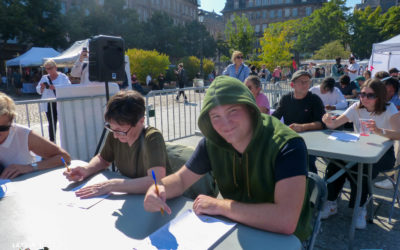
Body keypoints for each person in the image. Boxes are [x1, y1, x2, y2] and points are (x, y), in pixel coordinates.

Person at [143, 75, 312, 241]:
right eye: (215, 116)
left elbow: (286, 220)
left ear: (250, 108)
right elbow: (180, 180)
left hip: (284, 240)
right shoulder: (212, 143)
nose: (225, 124)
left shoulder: (287, 145)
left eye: (232, 111)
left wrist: (220, 206)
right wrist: (157, 189)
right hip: (235, 228)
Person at [321, 78, 399, 229]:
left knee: (360, 169)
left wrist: (379, 131)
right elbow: (335, 123)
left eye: (370, 95)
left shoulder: (389, 109)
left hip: (383, 154)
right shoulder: (357, 107)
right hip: (359, 148)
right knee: (335, 164)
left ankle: (360, 207)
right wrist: (327, 120)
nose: (364, 98)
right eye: (362, 94)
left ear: (380, 97)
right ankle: (331, 203)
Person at [63, 90, 171, 198]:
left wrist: (112, 184)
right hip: (131, 197)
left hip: (158, 198)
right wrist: (86, 170)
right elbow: (103, 159)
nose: (115, 135)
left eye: (120, 130)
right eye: (111, 128)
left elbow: (155, 180)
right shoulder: (116, 134)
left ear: (141, 121)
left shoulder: (152, 137)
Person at [0, 93, 71, 179]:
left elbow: (64, 158)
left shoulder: (24, 135)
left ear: (11, 122)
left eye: (2, 128)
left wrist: (29, 167)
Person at [273, 70, 325, 173]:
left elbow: (321, 124)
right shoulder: (286, 99)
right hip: (290, 139)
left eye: (307, 81)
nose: (305, 84)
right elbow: (275, 118)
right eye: (302, 81)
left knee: (308, 164)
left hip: (311, 142)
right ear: (292, 85)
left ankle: (311, 186)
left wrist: (303, 127)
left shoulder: (314, 99)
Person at [36, 59, 71, 142]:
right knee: (51, 123)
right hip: (49, 103)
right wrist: (42, 87)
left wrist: (55, 87)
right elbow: (38, 90)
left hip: (61, 102)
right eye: (47, 69)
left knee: (64, 122)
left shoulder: (63, 77)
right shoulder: (44, 77)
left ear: (55, 67)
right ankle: (52, 141)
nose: (49, 70)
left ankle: (67, 140)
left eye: (50, 68)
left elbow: (68, 87)